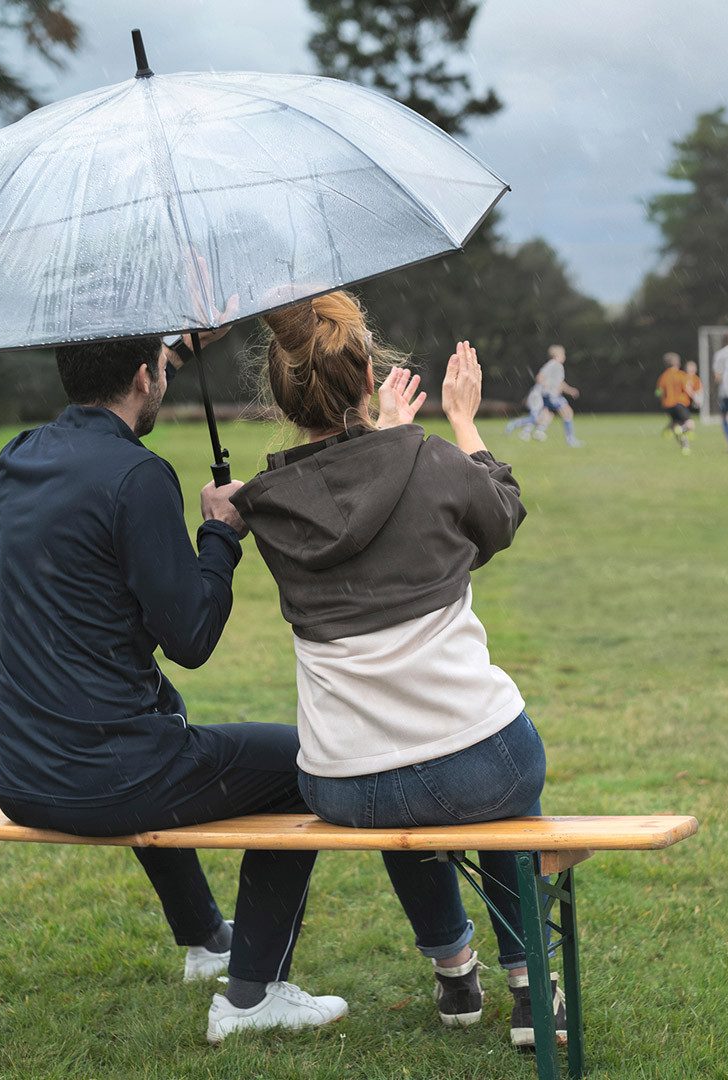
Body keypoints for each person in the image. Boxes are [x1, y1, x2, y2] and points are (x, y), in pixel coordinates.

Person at [0, 329, 348, 1045]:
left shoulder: (21, 456)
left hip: (21, 772)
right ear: (141, 377)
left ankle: (207, 939)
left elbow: (117, 382)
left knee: (159, 714)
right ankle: (252, 997)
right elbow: (190, 636)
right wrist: (220, 533)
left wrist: (179, 347)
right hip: (102, 780)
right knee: (305, 764)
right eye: (160, 366)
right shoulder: (139, 476)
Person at [232, 292, 567, 1048]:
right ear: (368, 379)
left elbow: (347, 501)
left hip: (346, 784)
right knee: (498, 782)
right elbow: (499, 517)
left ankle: (453, 969)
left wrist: (386, 441)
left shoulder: (265, 507)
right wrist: (461, 423)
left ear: (283, 398)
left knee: (399, 783)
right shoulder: (429, 459)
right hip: (481, 765)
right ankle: (528, 983)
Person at [535, 345, 584, 447]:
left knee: (549, 414)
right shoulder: (556, 365)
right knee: (568, 413)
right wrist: (547, 386)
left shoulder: (551, 365)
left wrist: (569, 390)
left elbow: (559, 382)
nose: (564, 356)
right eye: (563, 354)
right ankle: (571, 440)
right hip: (552, 395)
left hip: (547, 395)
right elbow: (539, 377)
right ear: (557, 355)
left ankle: (538, 431)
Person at [655, 352, 694, 453]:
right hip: (679, 404)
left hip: (668, 406)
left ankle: (685, 447)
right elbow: (687, 389)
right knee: (690, 424)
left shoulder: (663, 376)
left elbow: (658, 392)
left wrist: (663, 400)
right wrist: (695, 397)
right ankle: (679, 429)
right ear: (678, 363)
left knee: (676, 424)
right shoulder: (681, 375)